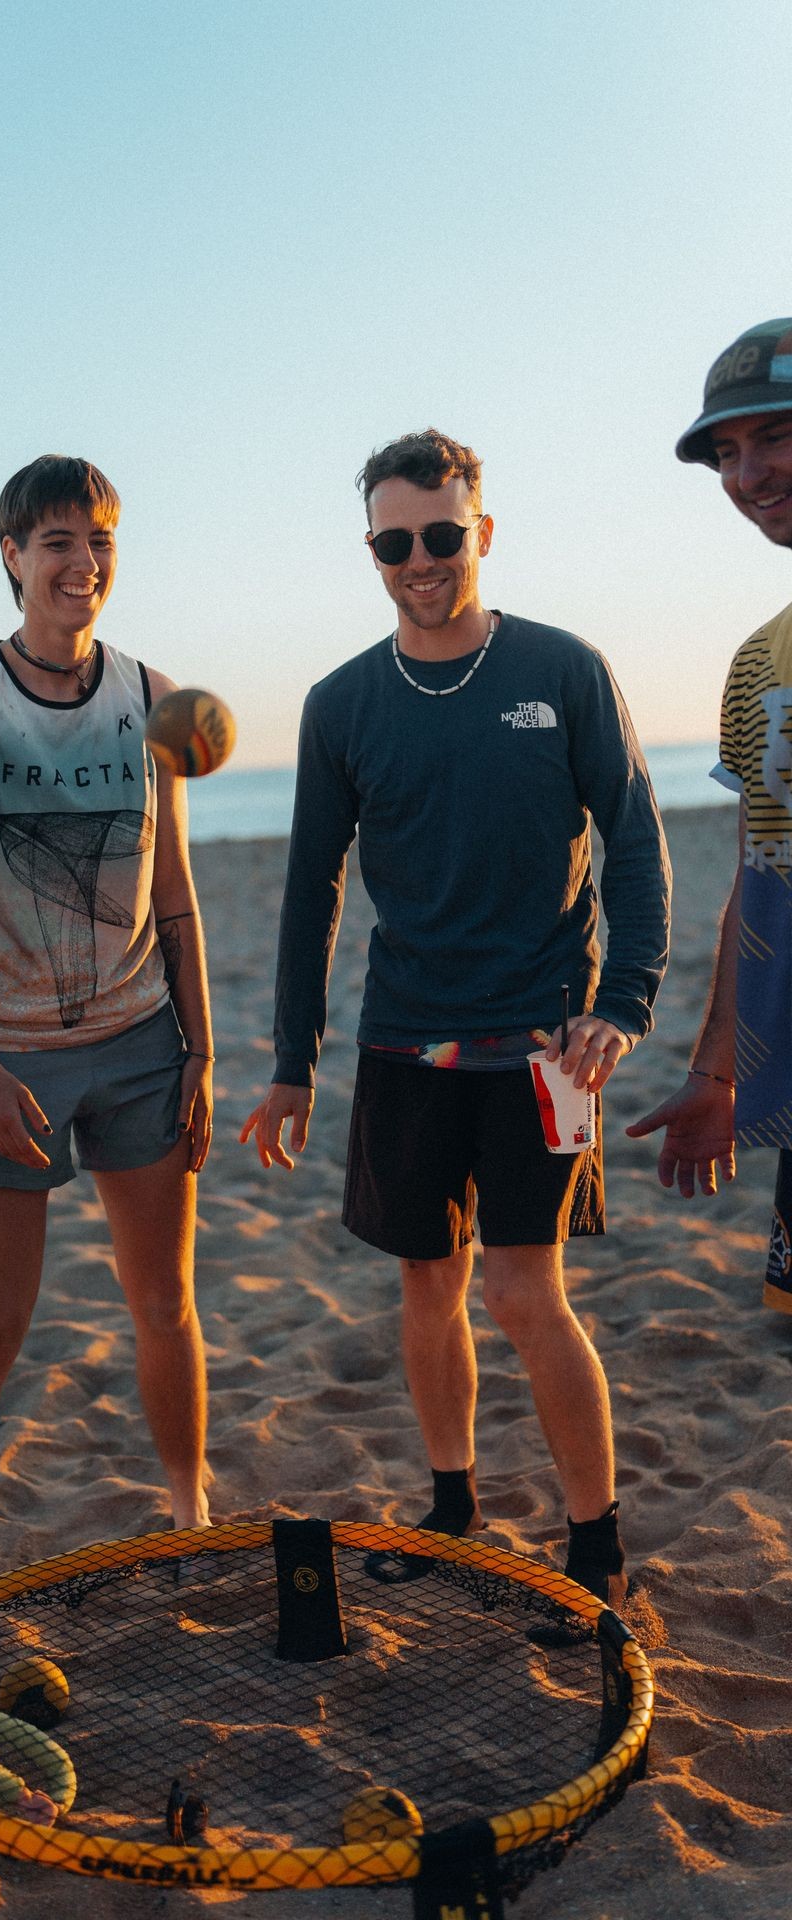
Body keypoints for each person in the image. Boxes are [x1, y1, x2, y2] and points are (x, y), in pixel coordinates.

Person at [241, 428, 671, 1606]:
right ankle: (451, 1505)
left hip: (543, 1048)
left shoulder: (561, 670)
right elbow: (310, 888)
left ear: (480, 532)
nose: (418, 559)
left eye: (440, 535)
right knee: (424, 1285)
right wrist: (292, 1065)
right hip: (403, 1043)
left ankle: (593, 1545)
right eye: (393, 541)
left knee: (526, 1294)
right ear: (371, 549)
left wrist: (620, 1007)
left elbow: (634, 841)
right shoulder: (340, 705)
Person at [0, 454, 213, 1638]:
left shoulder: (151, 696)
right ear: (13, 556)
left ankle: (186, 1507)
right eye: (57, 542)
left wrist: (200, 1049)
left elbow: (170, 883)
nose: (82, 564)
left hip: (137, 1043)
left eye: (101, 542)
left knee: (162, 1301)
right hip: (7, 1058)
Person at [628, 319, 792, 1308]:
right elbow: (756, 880)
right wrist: (718, 1071)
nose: (745, 474)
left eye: (770, 436)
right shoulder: (755, 665)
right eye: (724, 455)